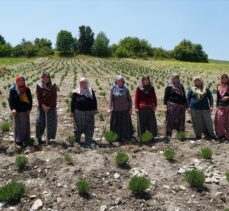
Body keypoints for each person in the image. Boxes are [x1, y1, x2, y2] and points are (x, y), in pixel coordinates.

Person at [71, 77, 97, 148]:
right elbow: (73, 102)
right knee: (78, 127)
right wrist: (72, 111)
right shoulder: (76, 91)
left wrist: (95, 109)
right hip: (78, 112)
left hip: (89, 112)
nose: (82, 84)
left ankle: (88, 141)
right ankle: (77, 141)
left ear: (86, 83)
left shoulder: (90, 90)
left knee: (89, 127)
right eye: (81, 82)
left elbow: (94, 100)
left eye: (84, 82)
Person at [8, 76, 32, 146]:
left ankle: (25, 139)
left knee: (25, 125)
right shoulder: (13, 90)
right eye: (19, 81)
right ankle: (18, 140)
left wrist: (29, 109)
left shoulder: (27, 89)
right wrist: (12, 109)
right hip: (17, 111)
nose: (21, 82)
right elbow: (10, 100)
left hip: (25, 111)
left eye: (22, 80)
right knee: (17, 125)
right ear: (17, 81)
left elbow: (30, 100)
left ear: (24, 81)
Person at [108, 75, 133, 142]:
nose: (120, 82)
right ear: (116, 81)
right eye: (118, 81)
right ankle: (116, 137)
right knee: (116, 124)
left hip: (125, 110)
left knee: (125, 124)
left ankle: (125, 136)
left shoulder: (126, 89)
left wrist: (130, 108)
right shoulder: (112, 89)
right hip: (116, 110)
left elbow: (130, 100)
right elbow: (110, 100)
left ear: (123, 81)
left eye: (121, 81)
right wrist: (109, 108)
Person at [36, 71, 57, 145]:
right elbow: (39, 97)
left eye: (47, 77)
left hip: (51, 107)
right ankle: (38, 138)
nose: (45, 78)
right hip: (42, 107)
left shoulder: (53, 85)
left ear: (49, 77)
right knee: (39, 122)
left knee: (51, 123)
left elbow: (54, 97)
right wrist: (43, 106)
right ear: (42, 78)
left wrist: (49, 107)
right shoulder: (39, 85)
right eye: (44, 77)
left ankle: (50, 138)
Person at [163, 73, 187, 138]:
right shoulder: (169, 87)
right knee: (170, 120)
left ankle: (180, 135)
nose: (176, 79)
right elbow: (166, 97)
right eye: (174, 78)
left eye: (177, 78)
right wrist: (165, 106)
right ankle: (168, 135)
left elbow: (184, 96)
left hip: (181, 107)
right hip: (171, 106)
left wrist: (186, 105)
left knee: (180, 121)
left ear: (179, 79)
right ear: (172, 79)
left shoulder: (181, 86)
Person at [214, 74, 229, 141]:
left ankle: (227, 135)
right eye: (223, 78)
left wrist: (228, 97)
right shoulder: (219, 87)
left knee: (227, 122)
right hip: (220, 106)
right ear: (221, 79)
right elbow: (218, 98)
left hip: (228, 106)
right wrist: (217, 106)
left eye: (226, 78)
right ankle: (221, 135)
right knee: (219, 121)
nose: (224, 79)